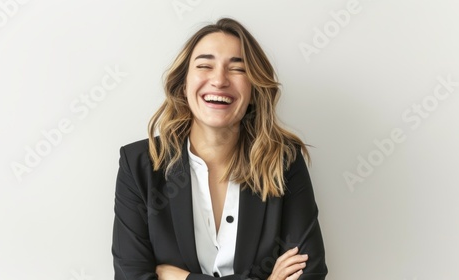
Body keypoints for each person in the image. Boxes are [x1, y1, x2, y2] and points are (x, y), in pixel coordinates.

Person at [112, 18, 328, 280]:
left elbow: (310, 272)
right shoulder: (139, 165)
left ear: (254, 89)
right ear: (183, 84)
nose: (219, 80)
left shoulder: (283, 160)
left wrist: (180, 277)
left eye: (237, 69)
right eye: (204, 65)